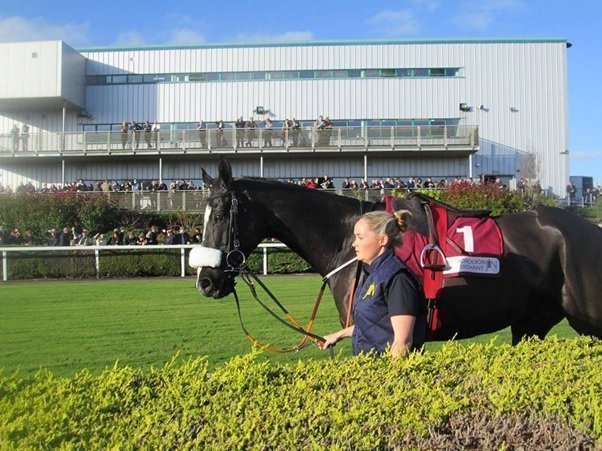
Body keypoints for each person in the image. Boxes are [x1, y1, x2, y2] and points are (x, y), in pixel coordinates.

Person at [318, 210, 424, 357]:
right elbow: (373, 324)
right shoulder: (371, 274)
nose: (354, 244)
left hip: (386, 373)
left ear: (382, 240)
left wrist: (391, 377)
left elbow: (403, 341)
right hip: (369, 369)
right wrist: (338, 335)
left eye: (360, 238)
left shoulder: (398, 278)